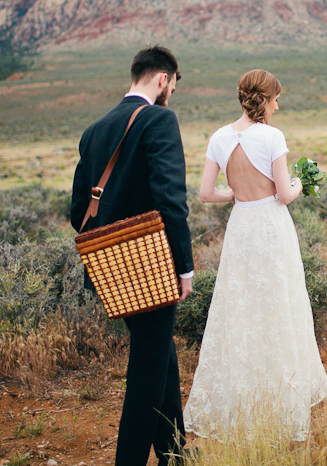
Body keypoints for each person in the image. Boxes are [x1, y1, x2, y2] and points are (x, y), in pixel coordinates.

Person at [184, 69, 327, 441]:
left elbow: (205, 193)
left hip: (241, 227)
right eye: (276, 98)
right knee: (279, 304)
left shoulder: (219, 137)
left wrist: (234, 195)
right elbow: (284, 194)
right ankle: (281, 397)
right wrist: (300, 182)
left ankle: (241, 394)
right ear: (264, 100)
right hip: (270, 227)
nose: (278, 105)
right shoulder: (272, 136)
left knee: (241, 308)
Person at [71, 45, 195, 466]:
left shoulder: (93, 131)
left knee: (158, 350)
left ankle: (175, 453)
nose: (170, 95)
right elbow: (171, 202)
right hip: (151, 264)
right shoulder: (160, 120)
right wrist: (185, 266)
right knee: (147, 367)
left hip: (110, 267)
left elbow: (77, 212)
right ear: (163, 79)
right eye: (172, 87)